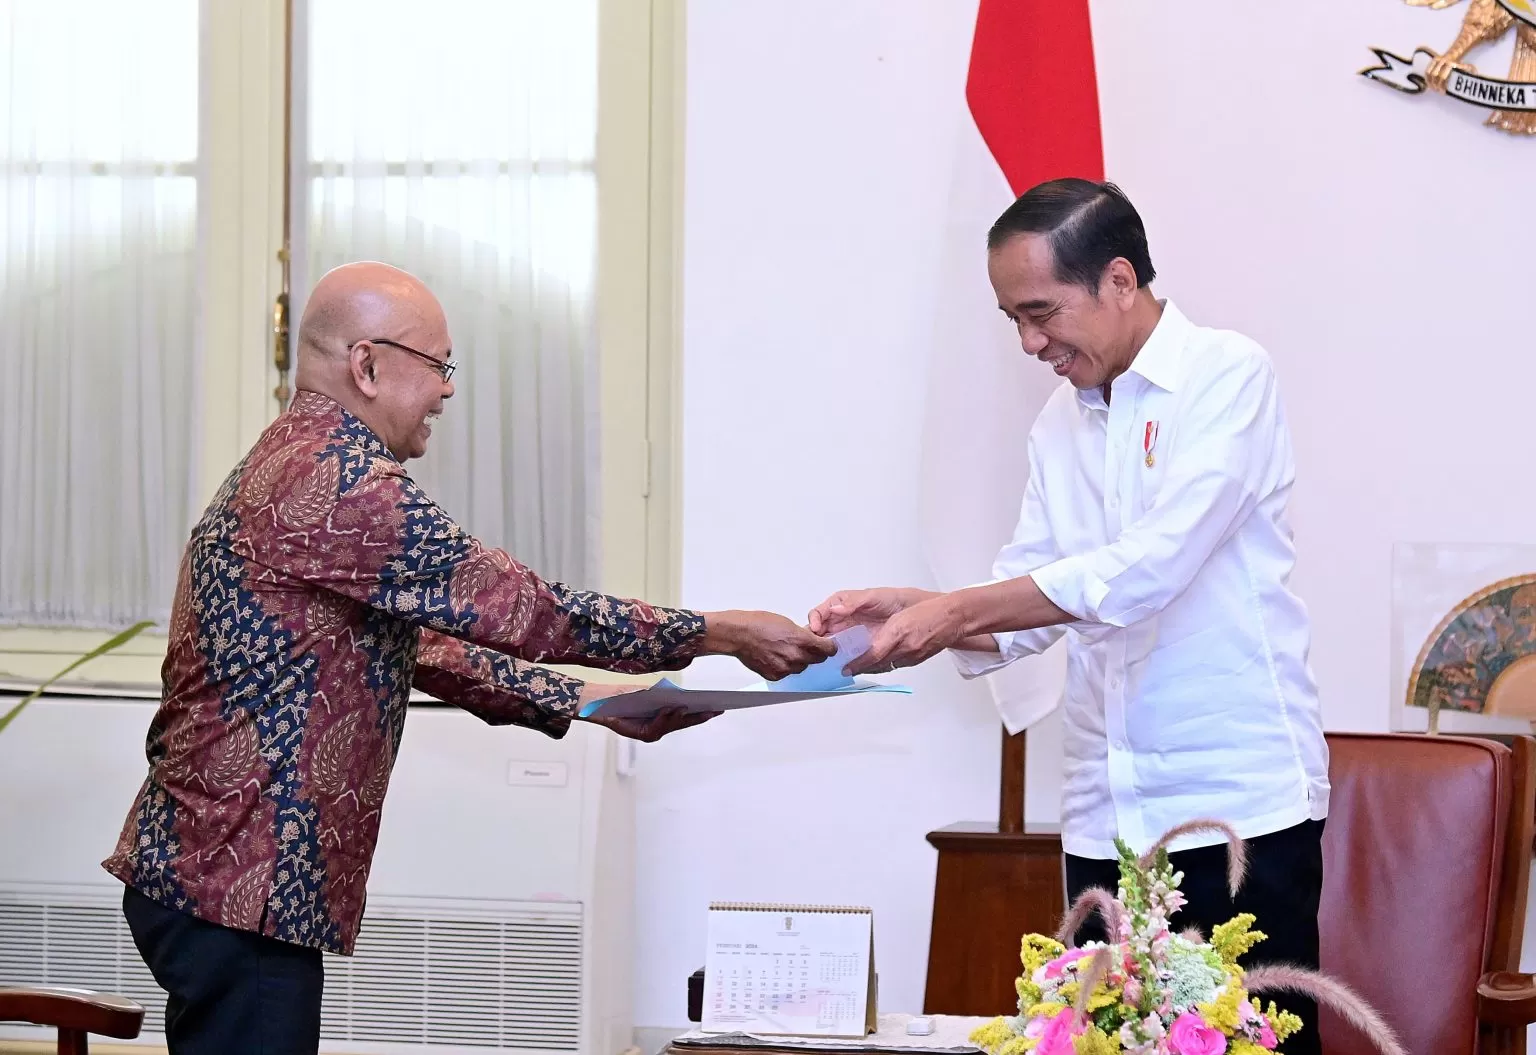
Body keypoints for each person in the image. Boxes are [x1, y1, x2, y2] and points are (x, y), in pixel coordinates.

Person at [103, 261, 836, 1054]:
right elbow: (526, 608)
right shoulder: (340, 481)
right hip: (238, 881)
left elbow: (419, 644)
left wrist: (582, 700)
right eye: (439, 365)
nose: (449, 391)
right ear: (369, 364)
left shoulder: (297, 459)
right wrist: (722, 632)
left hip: (221, 874)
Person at [810, 179, 1328, 1054]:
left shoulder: (1228, 375)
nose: (1028, 341)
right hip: (1105, 813)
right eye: (1011, 318)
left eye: (1041, 311)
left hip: (1234, 805)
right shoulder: (1060, 420)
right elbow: (1031, 600)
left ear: (1121, 279)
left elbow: (1148, 570)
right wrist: (912, 613)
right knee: (1096, 1043)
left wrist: (952, 609)